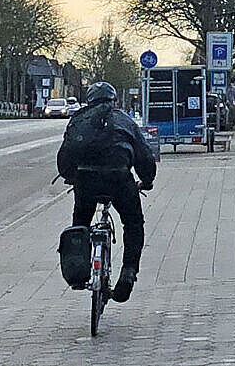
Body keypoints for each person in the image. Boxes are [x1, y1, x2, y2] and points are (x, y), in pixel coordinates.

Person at [59, 81, 157, 303]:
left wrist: (70, 175)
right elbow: (144, 155)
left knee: (80, 223)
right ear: (114, 100)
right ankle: (129, 272)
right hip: (119, 179)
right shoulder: (125, 120)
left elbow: (65, 154)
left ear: (89, 100)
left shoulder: (79, 120)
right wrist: (147, 180)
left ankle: (79, 269)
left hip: (86, 181)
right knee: (133, 224)